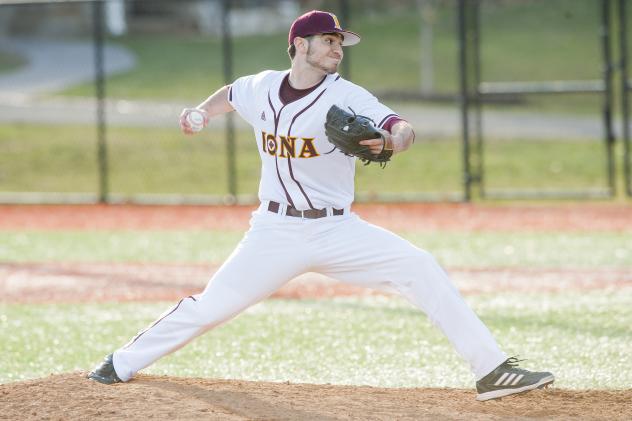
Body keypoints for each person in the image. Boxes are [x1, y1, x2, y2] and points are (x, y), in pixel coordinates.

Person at [88, 10, 554, 401]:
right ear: (298, 45)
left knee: (421, 267)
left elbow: (401, 126)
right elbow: (230, 93)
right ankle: (119, 363)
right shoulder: (263, 87)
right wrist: (202, 113)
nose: (337, 48)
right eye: (328, 40)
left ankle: (492, 370)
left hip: (338, 231)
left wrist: (392, 138)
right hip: (274, 231)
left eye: (340, 42)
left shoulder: (346, 95)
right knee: (211, 307)